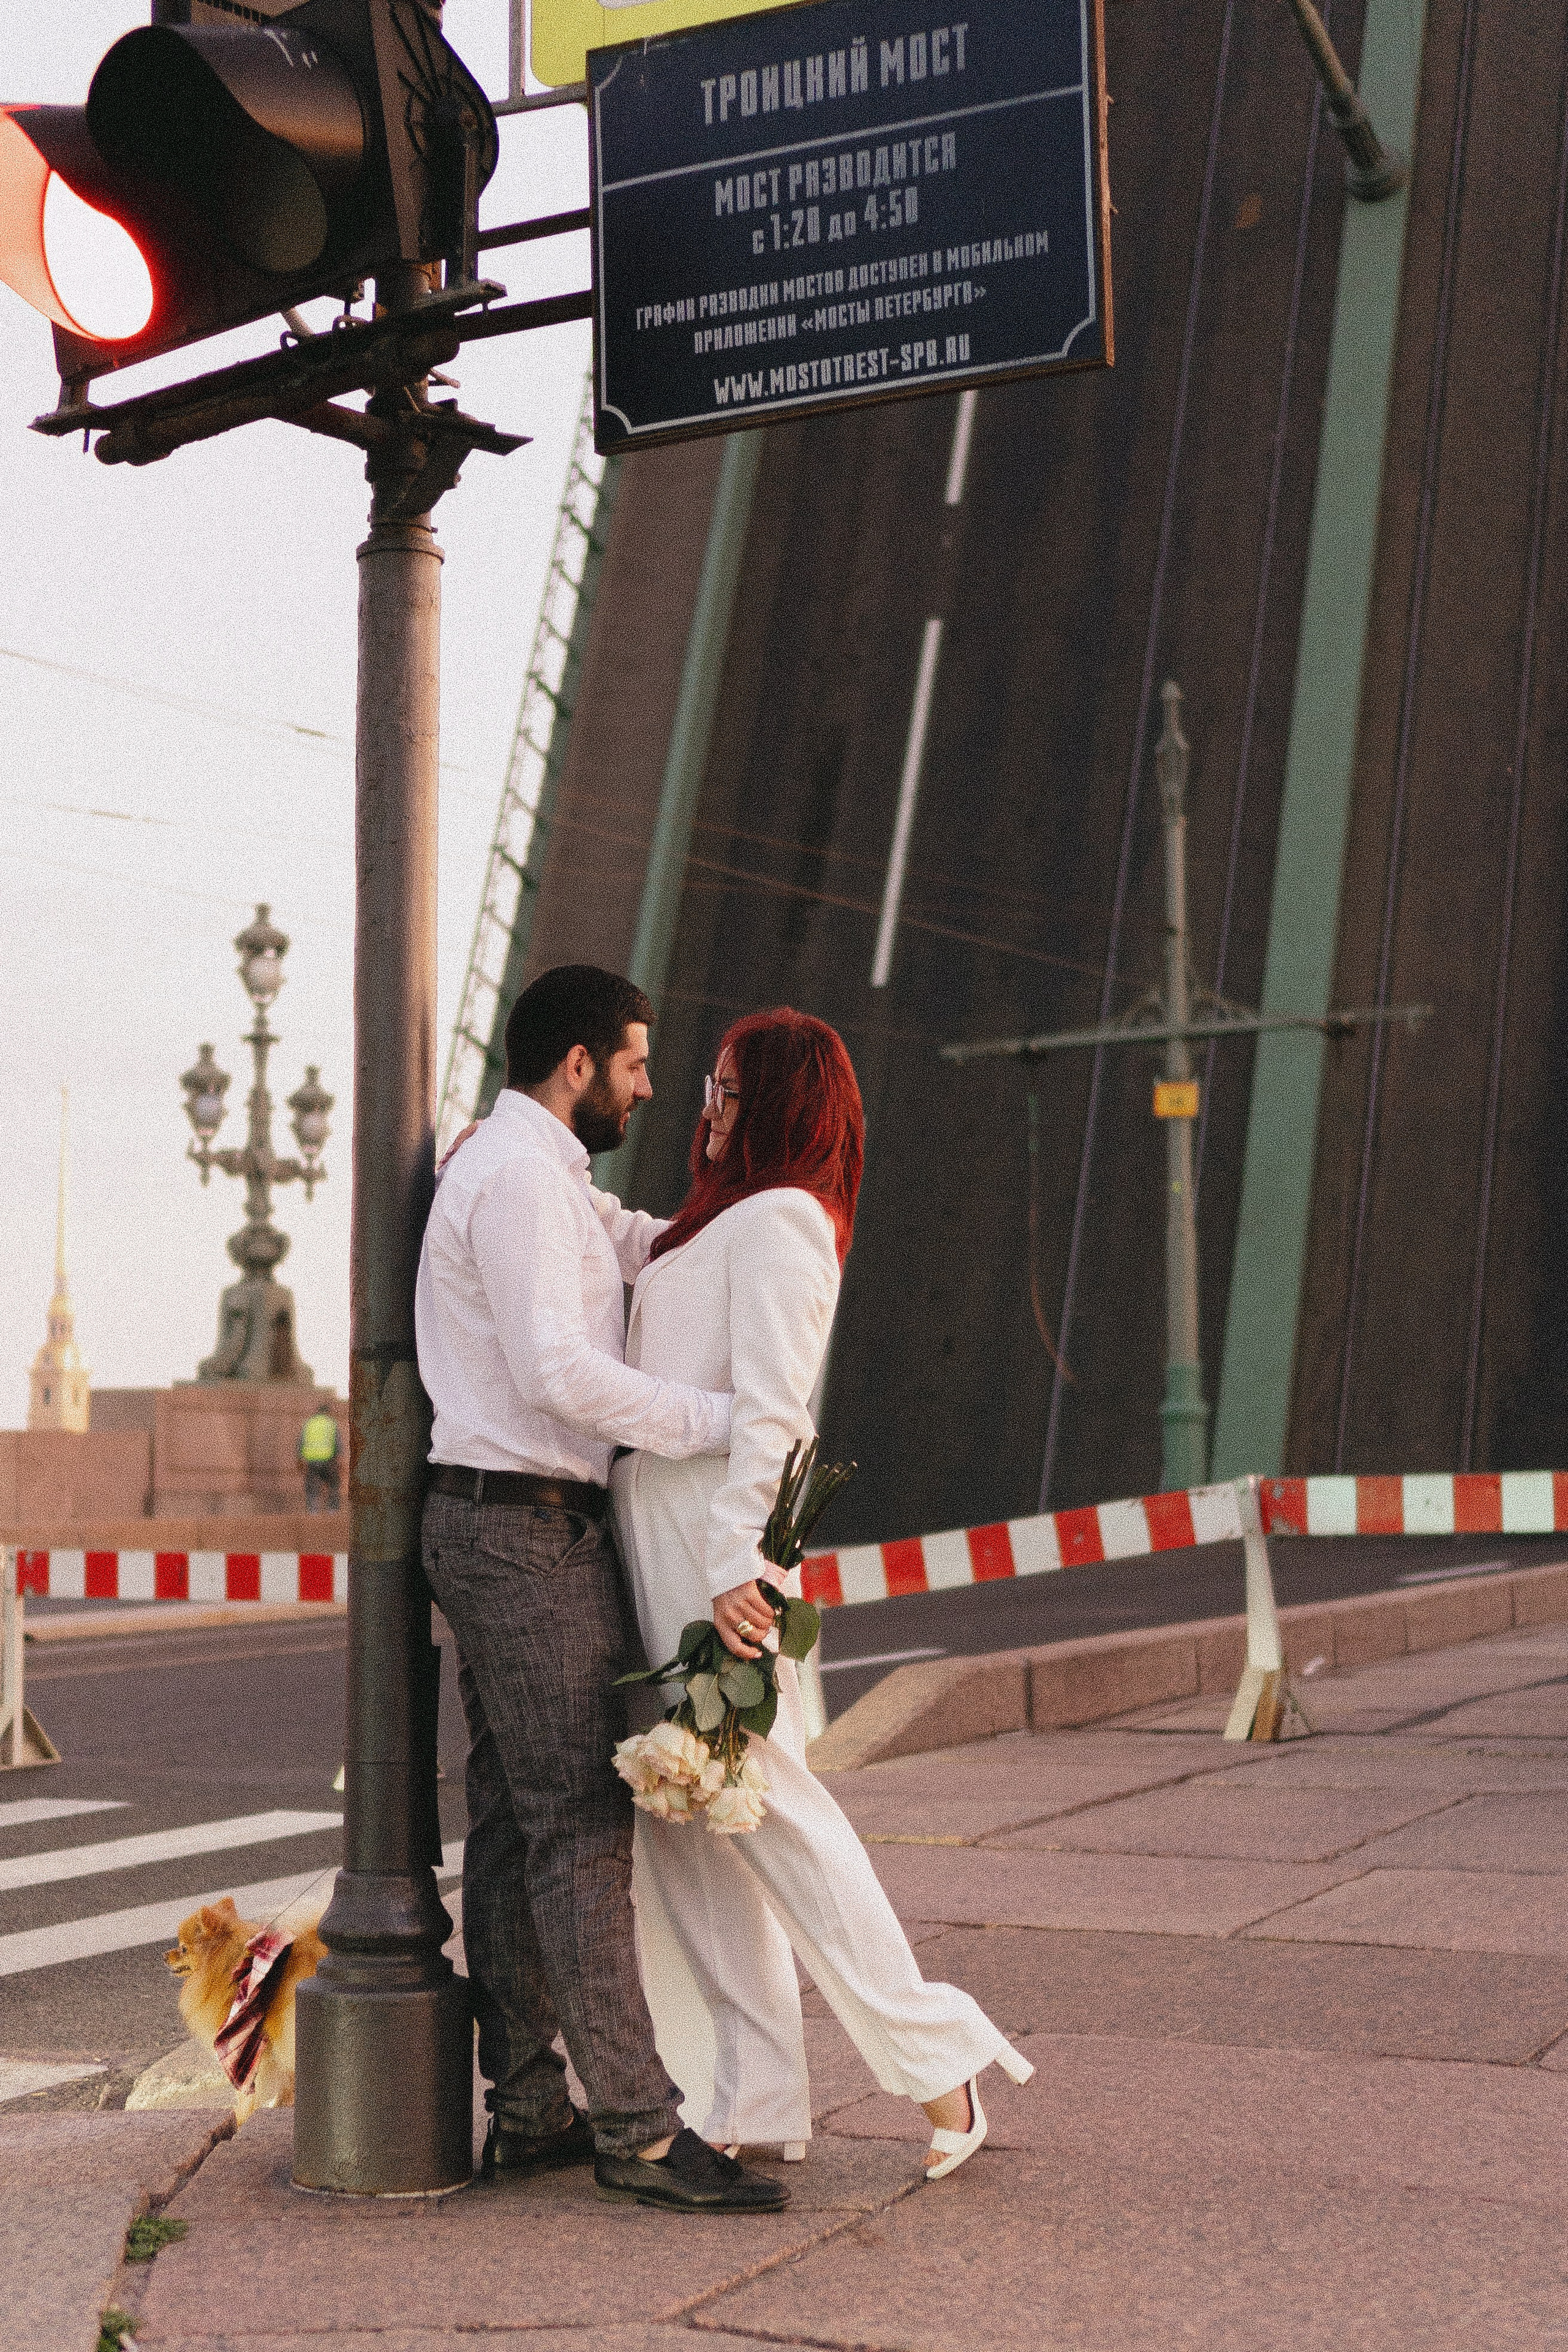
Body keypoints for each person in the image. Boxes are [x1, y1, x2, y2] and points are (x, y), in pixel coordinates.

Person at [611, 1008, 1033, 2181]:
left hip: (717, 1550)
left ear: (786, 1103)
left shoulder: (787, 1221)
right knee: (693, 1823)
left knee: (771, 1808)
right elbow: (630, 1243)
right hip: (664, 1537)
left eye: (733, 1090)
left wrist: (738, 1563)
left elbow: (779, 1409)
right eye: (711, 1085)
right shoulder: (712, 1223)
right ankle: (754, 2095)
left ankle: (936, 2051)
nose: (709, 1106)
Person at [415, 965, 788, 2214]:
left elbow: (646, 1245)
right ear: (576, 1064)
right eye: (633, 1066)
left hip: (507, 1523)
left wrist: (745, 1214)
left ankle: (529, 2109)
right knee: (581, 1822)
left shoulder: (549, 1180)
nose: (644, 1087)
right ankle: (635, 2126)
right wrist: (724, 1419)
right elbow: (555, 1373)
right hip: (518, 1528)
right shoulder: (517, 1178)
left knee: (524, 1825)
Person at [298, 1406, 341, 1513]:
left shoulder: (309, 1423)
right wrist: (340, 1459)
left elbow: (300, 1442)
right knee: (333, 1484)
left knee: (312, 1486)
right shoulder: (331, 1423)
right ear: (328, 1412)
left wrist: (299, 1459)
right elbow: (338, 1443)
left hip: (311, 1460)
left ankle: (313, 1511)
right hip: (329, 1460)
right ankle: (333, 1510)